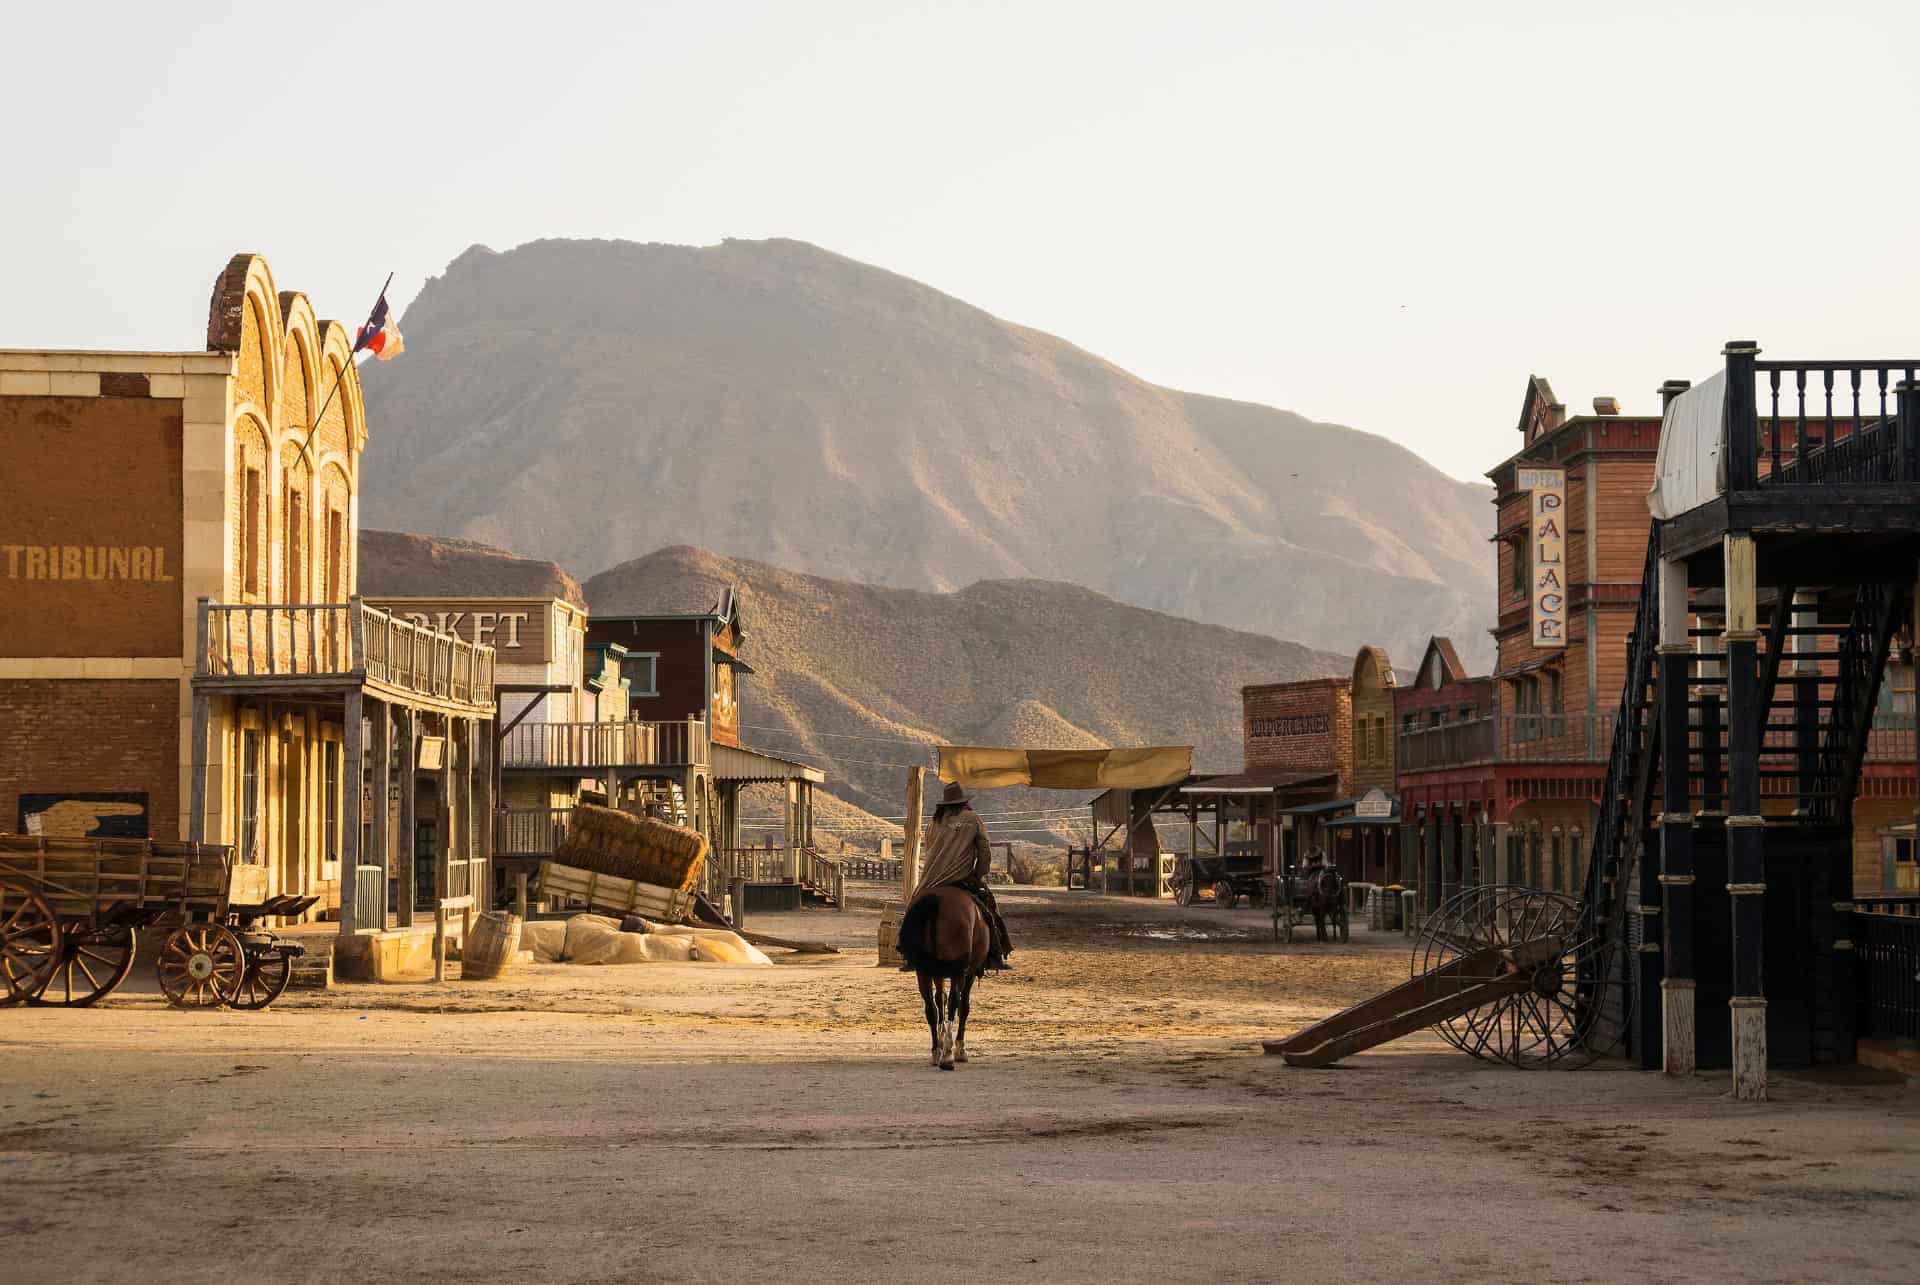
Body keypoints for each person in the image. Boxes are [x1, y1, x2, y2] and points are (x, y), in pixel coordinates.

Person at [897, 781, 1013, 971]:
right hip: (961, 879)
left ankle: (905, 951)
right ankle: (996, 953)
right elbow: (984, 851)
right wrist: (979, 874)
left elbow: (929, 850)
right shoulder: (973, 819)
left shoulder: (933, 823)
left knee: (911, 909)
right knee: (990, 909)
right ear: (963, 802)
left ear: (945, 804)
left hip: (931, 880)